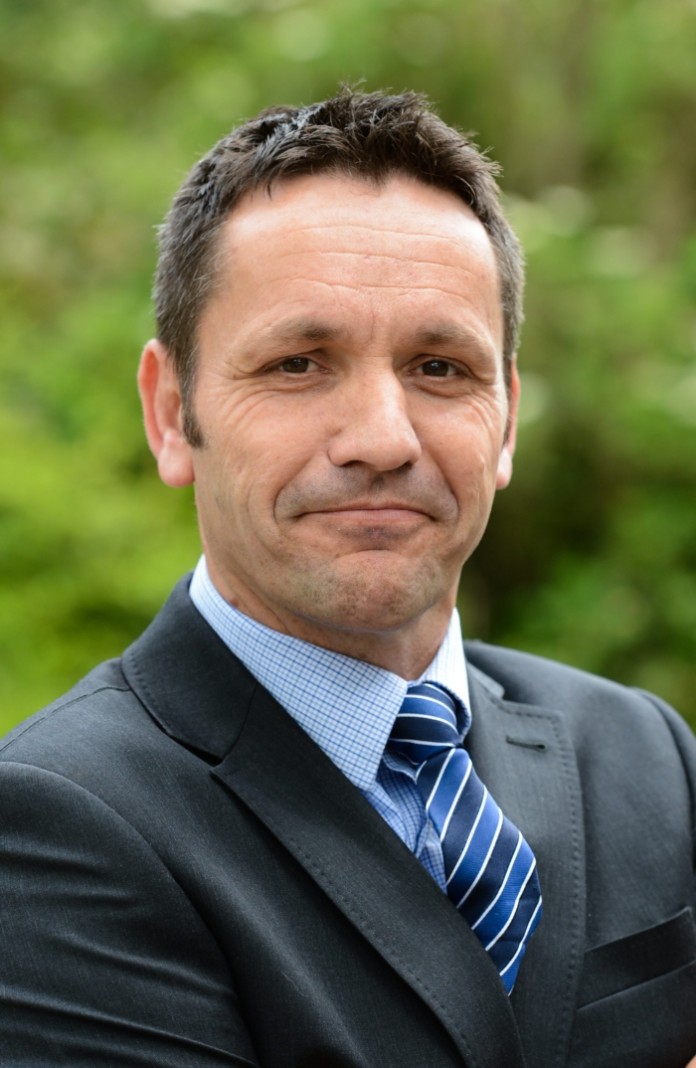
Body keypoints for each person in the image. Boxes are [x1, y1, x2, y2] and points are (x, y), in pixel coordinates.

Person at [1, 89, 695, 1068]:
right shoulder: (53, 826)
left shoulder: (645, 756)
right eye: (298, 364)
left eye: (440, 367)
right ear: (171, 414)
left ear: (505, 418)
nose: (381, 438)